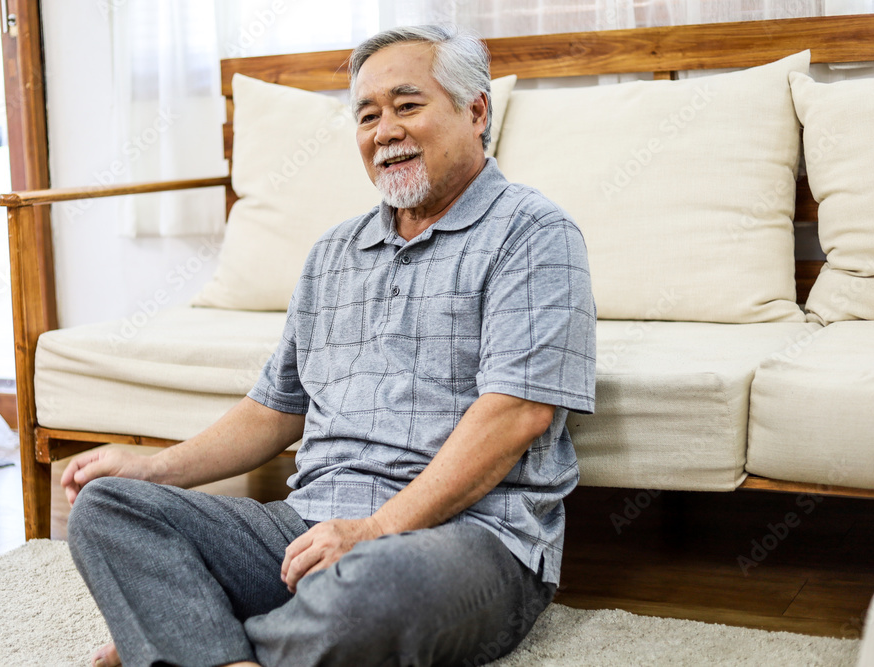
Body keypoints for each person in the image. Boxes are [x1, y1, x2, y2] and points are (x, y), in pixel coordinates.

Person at [64, 24, 596, 667]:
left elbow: (517, 413)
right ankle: (220, 644)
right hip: (308, 530)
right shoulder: (333, 253)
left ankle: (187, 640)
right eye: (367, 116)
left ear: (476, 110)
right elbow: (275, 408)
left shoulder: (535, 233)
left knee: (376, 591)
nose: (384, 132)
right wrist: (151, 467)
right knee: (108, 508)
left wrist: (374, 532)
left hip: (468, 539)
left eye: (407, 105)